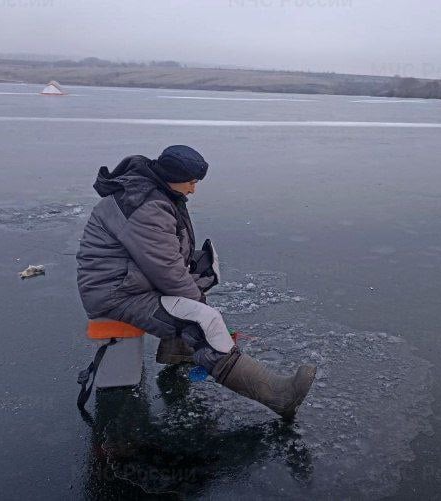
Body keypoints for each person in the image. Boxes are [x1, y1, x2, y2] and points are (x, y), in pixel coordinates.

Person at [76, 145, 316, 419]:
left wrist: (196, 275)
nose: (193, 189)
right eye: (190, 182)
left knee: (200, 275)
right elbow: (167, 273)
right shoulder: (145, 207)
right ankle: (278, 397)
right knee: (202, 320)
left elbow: (169, 258)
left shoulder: (153, 190)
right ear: (172, 176)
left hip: (129, 280)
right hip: (117, 294)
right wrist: (202, 307)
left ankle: (179, 353)